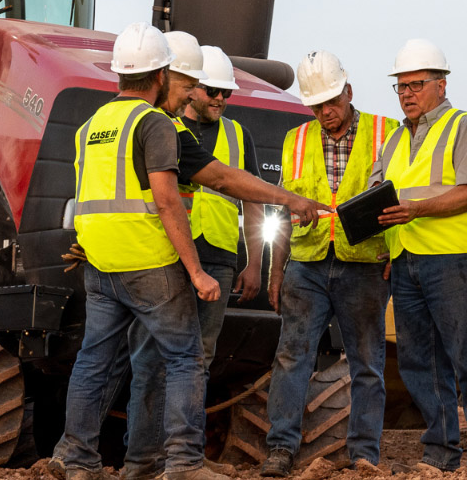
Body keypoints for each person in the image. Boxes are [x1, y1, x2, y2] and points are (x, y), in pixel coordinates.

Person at [108, 33, 328, 480]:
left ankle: (180, 455)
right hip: (168, 255)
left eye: (227, 92)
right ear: (191, 88)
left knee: (198, 359)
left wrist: (252, 260)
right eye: (213, 90)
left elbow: (247, 196)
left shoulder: (236, 134)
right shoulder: (162, 126)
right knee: (152, 359)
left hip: (220, 259)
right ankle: (143, 458)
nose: (221, 99)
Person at [49, 22, 226, 480]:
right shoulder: (154, 123)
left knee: (93, 360)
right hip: (150, 263)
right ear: (161, 74)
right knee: (185, 358)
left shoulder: (90, 126)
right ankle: (185, 463)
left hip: (100, 264)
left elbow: (96, 195)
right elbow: (168, 202)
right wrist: (197, 271)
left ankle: (74, 458)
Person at [257, 51, 400, 477]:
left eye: (332, 103)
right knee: (291, 357)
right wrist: (275, 270)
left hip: (365, 264)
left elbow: (401, 199)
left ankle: (363, 456)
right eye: (317, 106)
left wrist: (396, 252)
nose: (325, 113)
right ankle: (280, 450)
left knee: (367, 363)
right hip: (307, 264)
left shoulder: (386, 132)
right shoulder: (296, 139)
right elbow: (282, 211)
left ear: (348, 91)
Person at [372, 38, 467, 472]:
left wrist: (416, 210)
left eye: (416, 84)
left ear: (441, 85)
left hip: (456, 259)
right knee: (419, 360)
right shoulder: (394, 139)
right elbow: (379, 195)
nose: (407, 93)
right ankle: (441, 449)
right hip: (406, 260)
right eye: (401, 86)